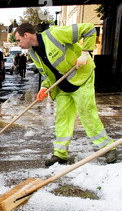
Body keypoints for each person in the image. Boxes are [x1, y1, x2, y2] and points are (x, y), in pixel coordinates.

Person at [15, 22, 117, 166]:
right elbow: (46, 74)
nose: (18, 44)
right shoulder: (33, 53)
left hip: (81, 78)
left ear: (26, 35)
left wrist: (85, 53)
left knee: (87, 114)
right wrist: (44, 88)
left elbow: (88, 29)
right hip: (62, 87)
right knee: (62, 119)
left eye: (18, 40)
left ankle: (108, 148)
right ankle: (60, 154)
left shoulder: (55, 34)